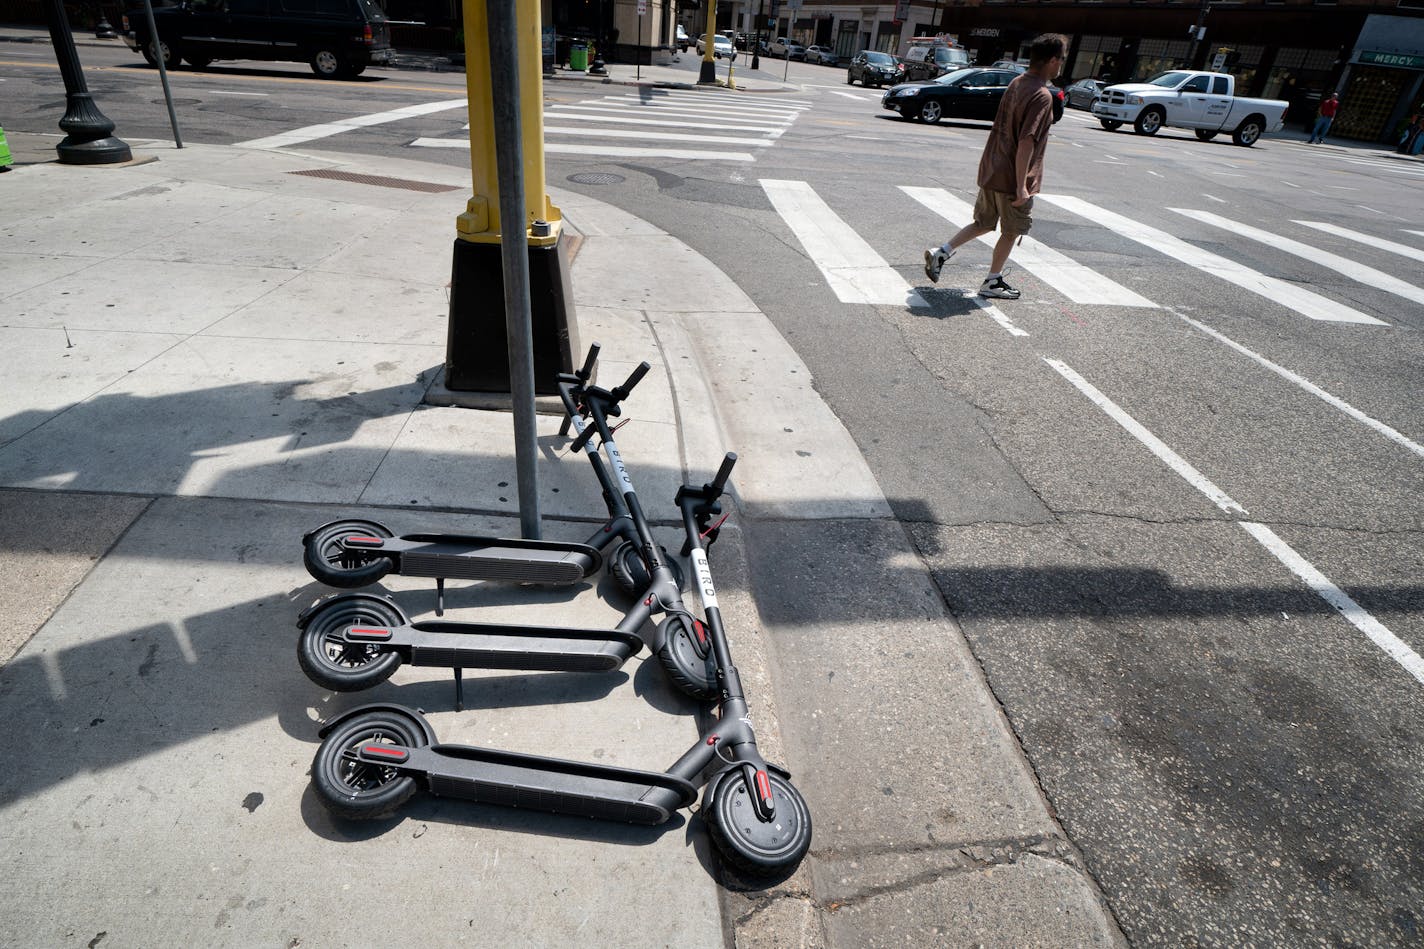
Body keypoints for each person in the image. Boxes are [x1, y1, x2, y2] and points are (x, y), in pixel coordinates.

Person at [923, 32, 1067, 300]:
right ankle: (992, 281)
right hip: (1013, 178)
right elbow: (1026, 142)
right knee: (1011, 231)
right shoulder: (1041, 95)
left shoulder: (1016, 82)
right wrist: (1022, 186)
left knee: (983, 223)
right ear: (1050, 60)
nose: (1061, 64)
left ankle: (942, 252)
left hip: (992, 168)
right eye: (1061, 59)